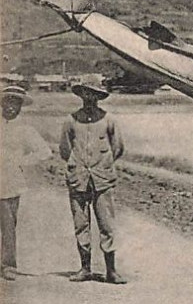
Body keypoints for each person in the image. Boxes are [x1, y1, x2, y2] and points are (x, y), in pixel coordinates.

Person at [59, 74, 126, 284]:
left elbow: (118, 148)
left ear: (98, 96)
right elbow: (64, 149)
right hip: (78, 178)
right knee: (81, 224)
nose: (89, 98)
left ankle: (111, 271)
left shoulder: (109, 120)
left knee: (106, 225)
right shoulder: (71, 120)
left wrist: (102, 165)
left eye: (93, 94)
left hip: (102, 179)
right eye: (86, 93)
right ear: (81, 95)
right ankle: (85, 268)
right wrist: (77, 164)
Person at [0, 84, 51, 280]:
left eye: (16, 103)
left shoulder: (25, 129)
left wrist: (22, 161)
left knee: (8, 225)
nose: (11, 106)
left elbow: (44, 152)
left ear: (21, 107)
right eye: (8, 101)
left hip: (10, 181)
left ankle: (8, 265)